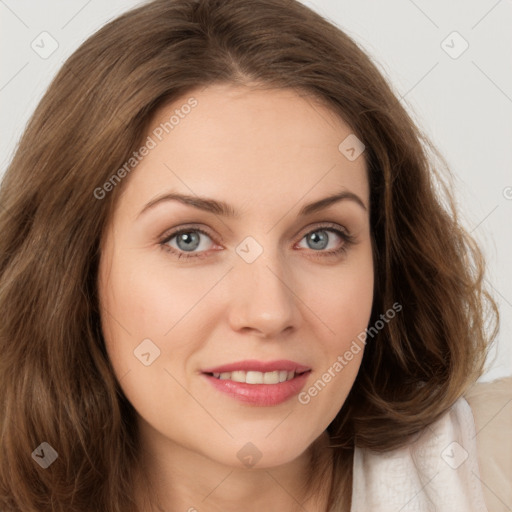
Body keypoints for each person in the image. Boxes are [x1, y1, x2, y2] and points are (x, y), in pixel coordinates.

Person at [0, 0, 509, 511]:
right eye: (189, 239)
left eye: (320, 237)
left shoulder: (491, 464)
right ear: (77, 269)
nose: (270, 312)